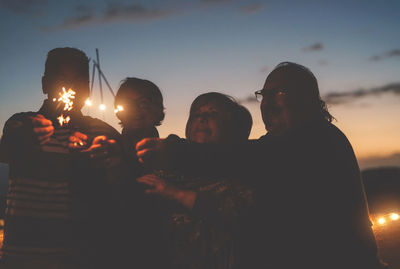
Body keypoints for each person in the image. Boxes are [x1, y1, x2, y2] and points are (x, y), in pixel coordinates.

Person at [135, 63, 386, 268]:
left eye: (281, 92)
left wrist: (177, 158)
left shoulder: (317, 139)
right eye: (264, 95)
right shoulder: (271, 147)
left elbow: (249, 200)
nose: (268, 102)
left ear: (308, 99)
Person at [0, 47, 121, 269]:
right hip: (25, 253)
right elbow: (6, 149)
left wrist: (111, 162)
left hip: (81, 254)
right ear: (45, 84)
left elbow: (121, 185)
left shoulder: (101, 131)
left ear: (88, 89)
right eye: (63, 79)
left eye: (79, 81)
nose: (71, 88)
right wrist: (25, 138)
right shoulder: (21, 123)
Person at [137, 92, 254, 269]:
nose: (202, 118)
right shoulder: (166, 167)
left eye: (213, 113)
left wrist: (177, 194)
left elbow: (240, 215)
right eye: (196, 114)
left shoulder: (243, 169)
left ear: (232, 126)